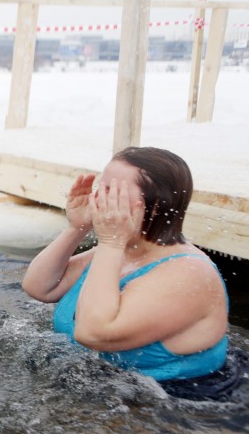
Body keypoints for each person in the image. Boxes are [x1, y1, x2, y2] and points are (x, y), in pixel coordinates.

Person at [22, 146, 242, 400]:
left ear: (156, 207)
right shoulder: (123, 249)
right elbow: (40, 287)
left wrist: (111, 241)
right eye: (100, 188)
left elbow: (93, 332)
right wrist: (77, 228)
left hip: (178, 407)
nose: (99, 200)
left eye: (112, 192)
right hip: (111, 386)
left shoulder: (188, 274)